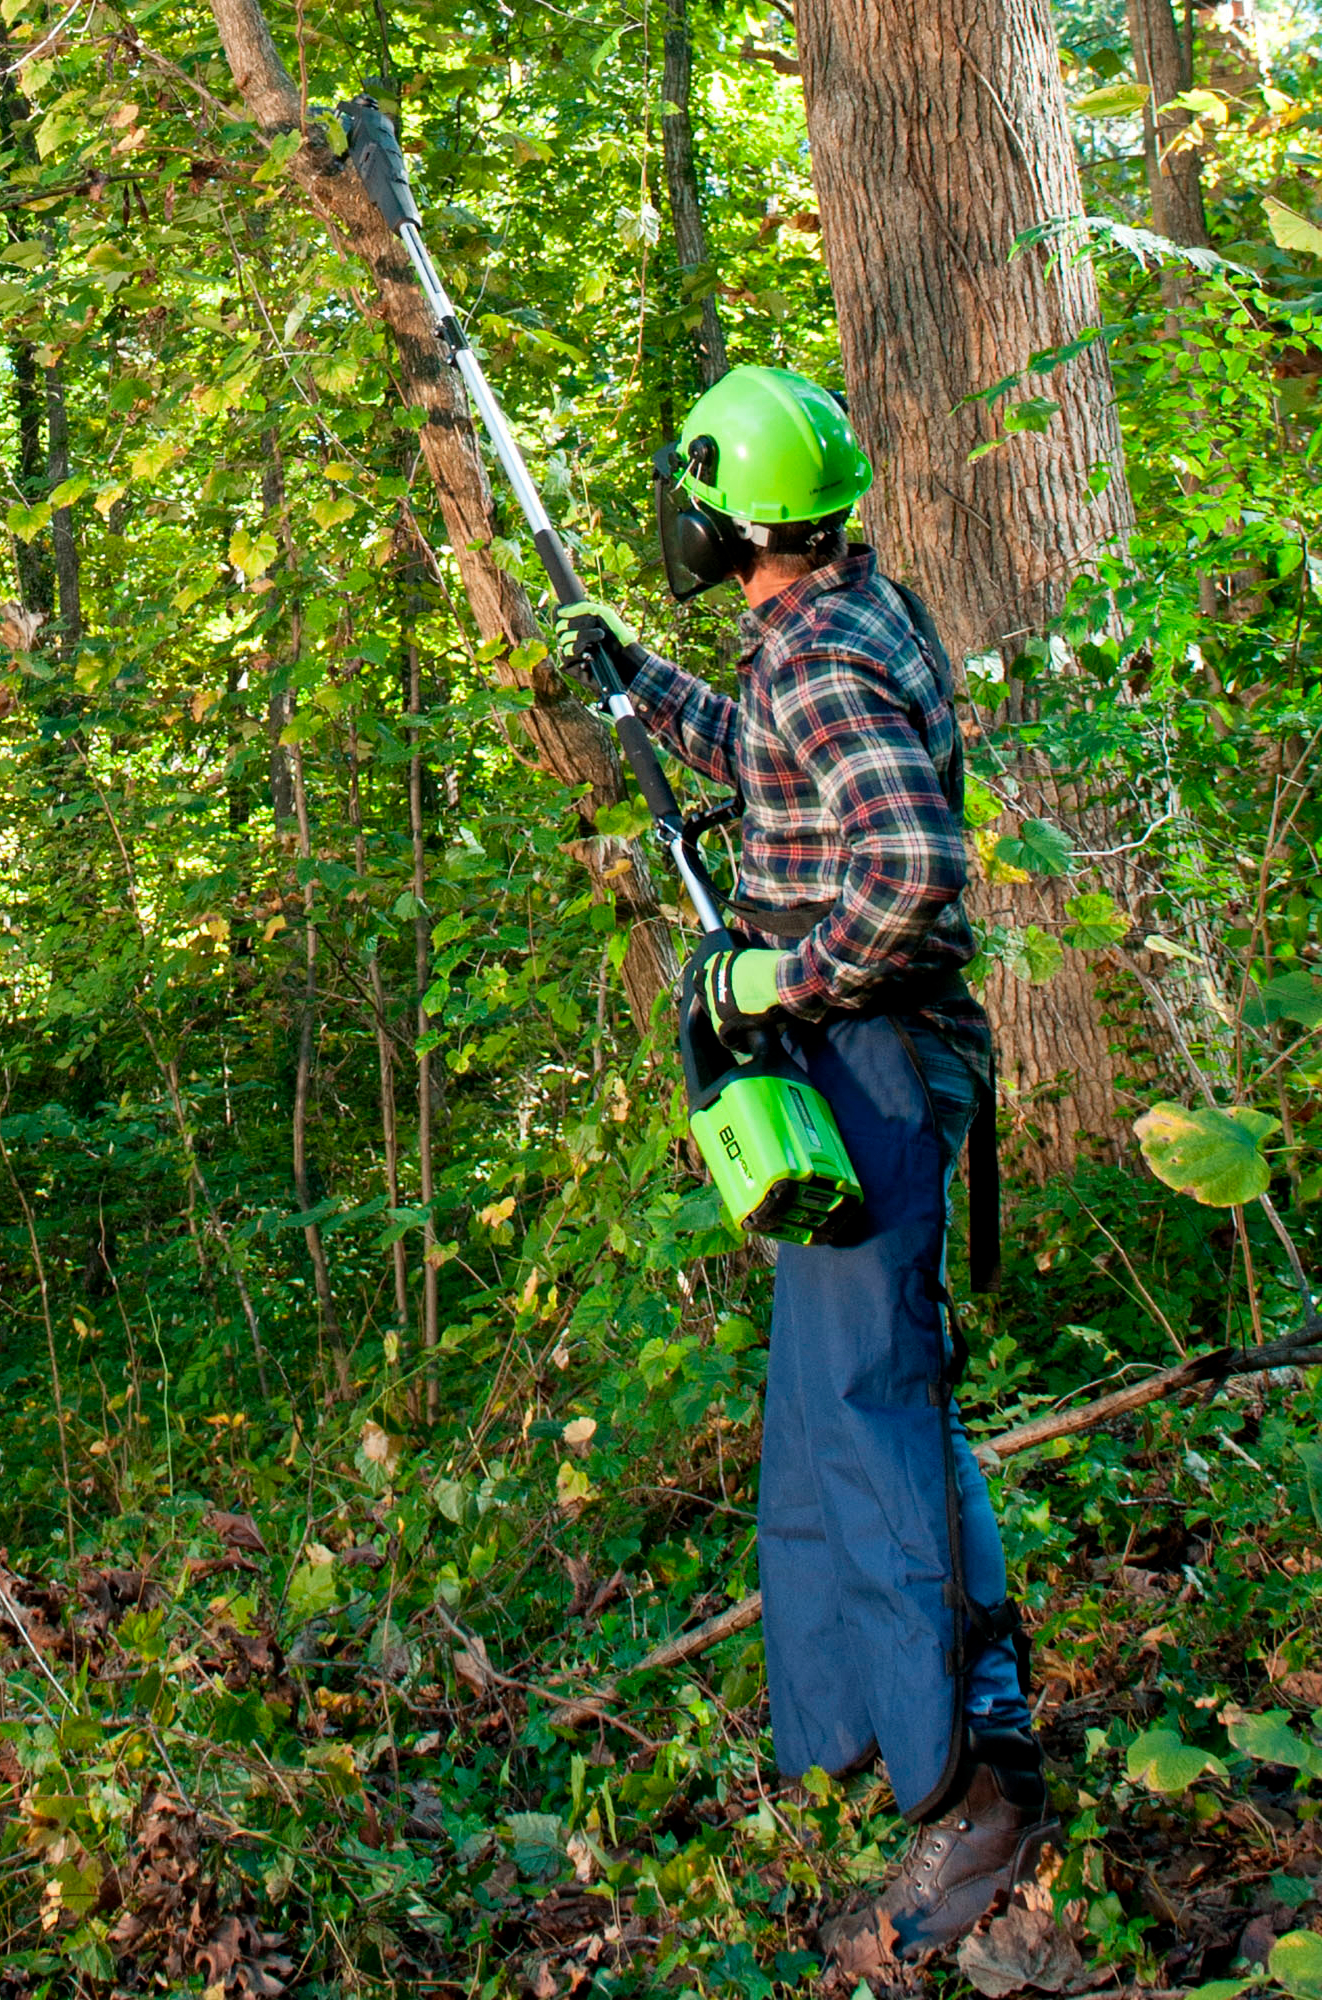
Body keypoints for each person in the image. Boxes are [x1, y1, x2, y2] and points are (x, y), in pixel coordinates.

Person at [562, 365, 1058, 1963]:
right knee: (874, 1398)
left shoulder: (827, 653)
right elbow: (788, 777)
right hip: (873, 1063)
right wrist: (649, 689)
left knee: (875, 1411)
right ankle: (939, 1723)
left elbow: (907, 861)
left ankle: (973, 1790)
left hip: (874, 1067)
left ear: (734, 513)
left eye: (694, 491)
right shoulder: (833, 621)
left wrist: (779, 979)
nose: (680, 514)